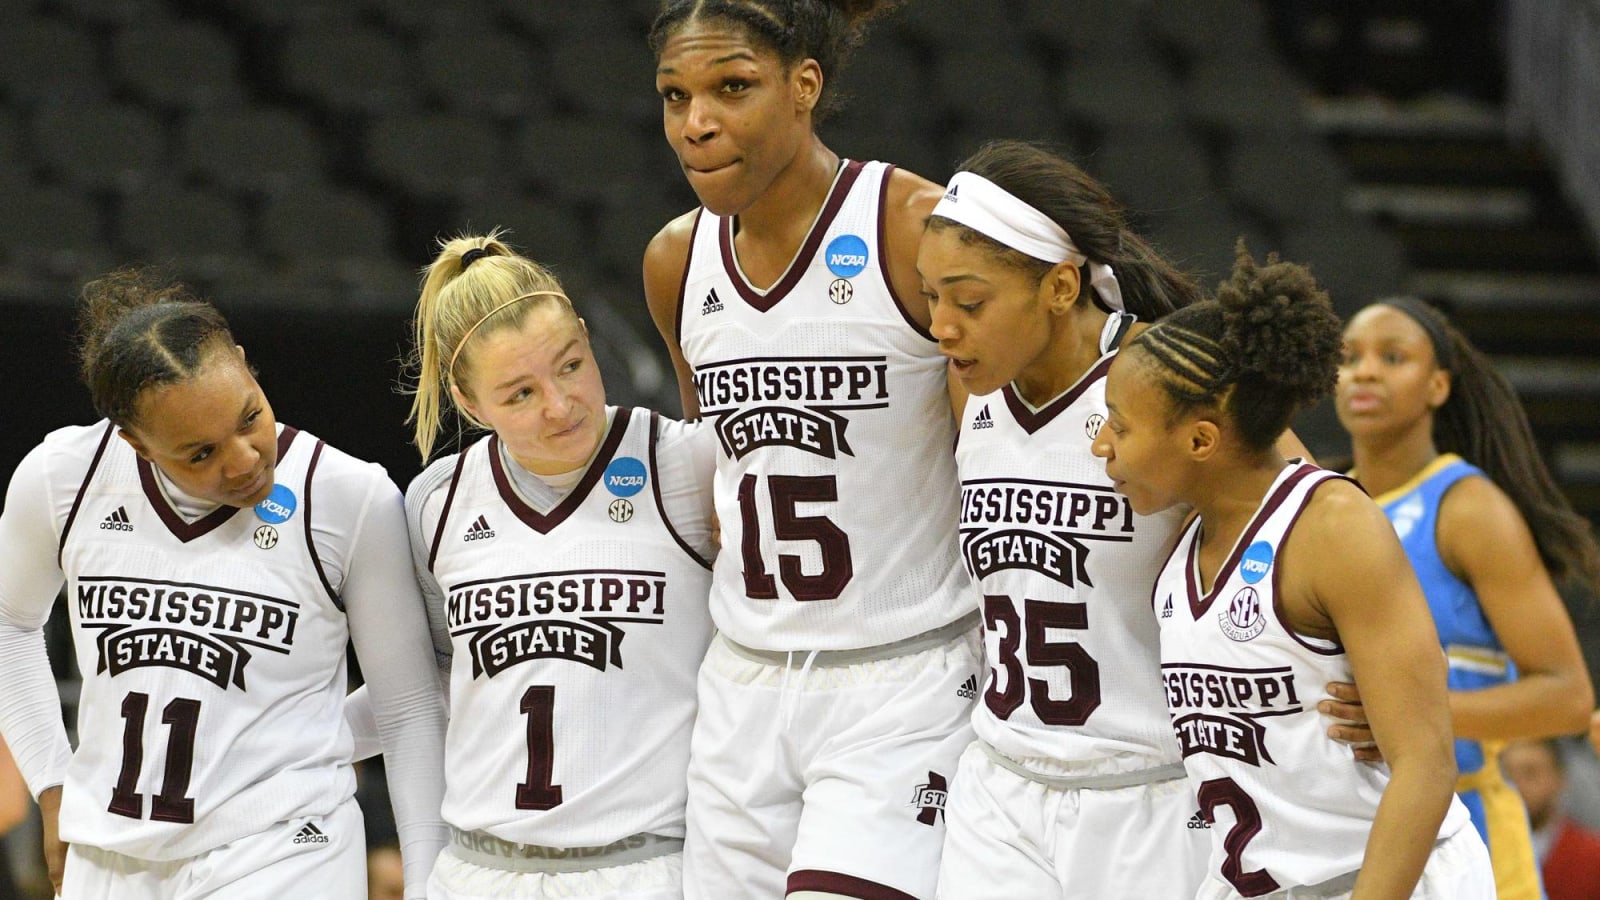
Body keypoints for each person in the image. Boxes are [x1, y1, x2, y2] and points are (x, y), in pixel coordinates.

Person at [918, 140, 1377, 899]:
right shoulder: (972, 388)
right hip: (998, 787)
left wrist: (1371, 672)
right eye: (930, 297)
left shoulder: (1165, 381)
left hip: (1156, 793)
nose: (943, 326)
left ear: (1061, 286)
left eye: (969, 302)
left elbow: (1316, 516)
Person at [642, 2, 982, 897]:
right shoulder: (676, 262)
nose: (697, 122)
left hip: (903, 678)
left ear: (805, 87)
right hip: (743, 688)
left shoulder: (913, 227)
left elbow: (995, 459)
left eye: (731, 88)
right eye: (675, 97)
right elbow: (719, 479)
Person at [0, 269, 447, 899]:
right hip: (109, 852)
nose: (244, 460)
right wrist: (50, 783)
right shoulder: (63, 477)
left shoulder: (348, 496)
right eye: (200, 453)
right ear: (137, 444)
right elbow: (9, 623)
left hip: (283, 848)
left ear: (244, 364)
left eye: (250, 418)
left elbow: (407, 706)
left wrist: (426, 879)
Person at [1092, 246, 1492, 897]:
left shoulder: (1331, 527)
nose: (1100, 446)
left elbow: (1425, 765)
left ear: (1199, 441)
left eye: (1120, 426)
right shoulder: (1184, 538)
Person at [399, 233, 716, 899]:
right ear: (469, 403)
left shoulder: (685, 466)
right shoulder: (436, 501)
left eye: (570, 365)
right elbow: (425, 688)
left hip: (646, 866)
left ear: (586, 335)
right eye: (518, 394)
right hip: (476, 871)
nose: (560, 404)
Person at [1336, 297, 1597, 898]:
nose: (1365, 371)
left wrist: (1412, 719)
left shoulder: (1468, 508)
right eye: (1350, 358)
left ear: (1437, 385)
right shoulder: (1324, 501)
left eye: (1392, 357)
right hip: (1351, 828)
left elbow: (1568, 696)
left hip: (1468, 827)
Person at [1501, 738, 1600, 900]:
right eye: (1508, 775)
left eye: (1530, 773)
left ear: (1559, 778)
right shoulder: (1484, 852)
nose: (1517, 786)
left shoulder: (1593, 858)